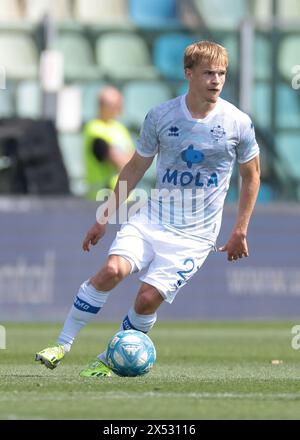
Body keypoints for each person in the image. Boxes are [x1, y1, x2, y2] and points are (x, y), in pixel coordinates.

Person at [35, 41, 260, 377]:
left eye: (222, 74)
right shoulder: (161, 116)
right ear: (189, 74)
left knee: (146, 300)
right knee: (112, 270)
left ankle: (108, 359)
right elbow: (134, 168)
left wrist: (240, 229)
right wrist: (104, 217)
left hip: (196, 235)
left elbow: (251, 175)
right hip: (153, 219)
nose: (216, 80)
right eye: (208, 73)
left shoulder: (237, 122)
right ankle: (62, 344)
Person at [84, 86, 134, 199]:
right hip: (103, 197)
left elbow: (133, 158)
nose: (119, 108)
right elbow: (116, 159)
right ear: (103, 106)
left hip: (125, 198)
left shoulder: (120, 128)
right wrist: (130, 163)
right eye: (115, 105)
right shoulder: (93, 128)